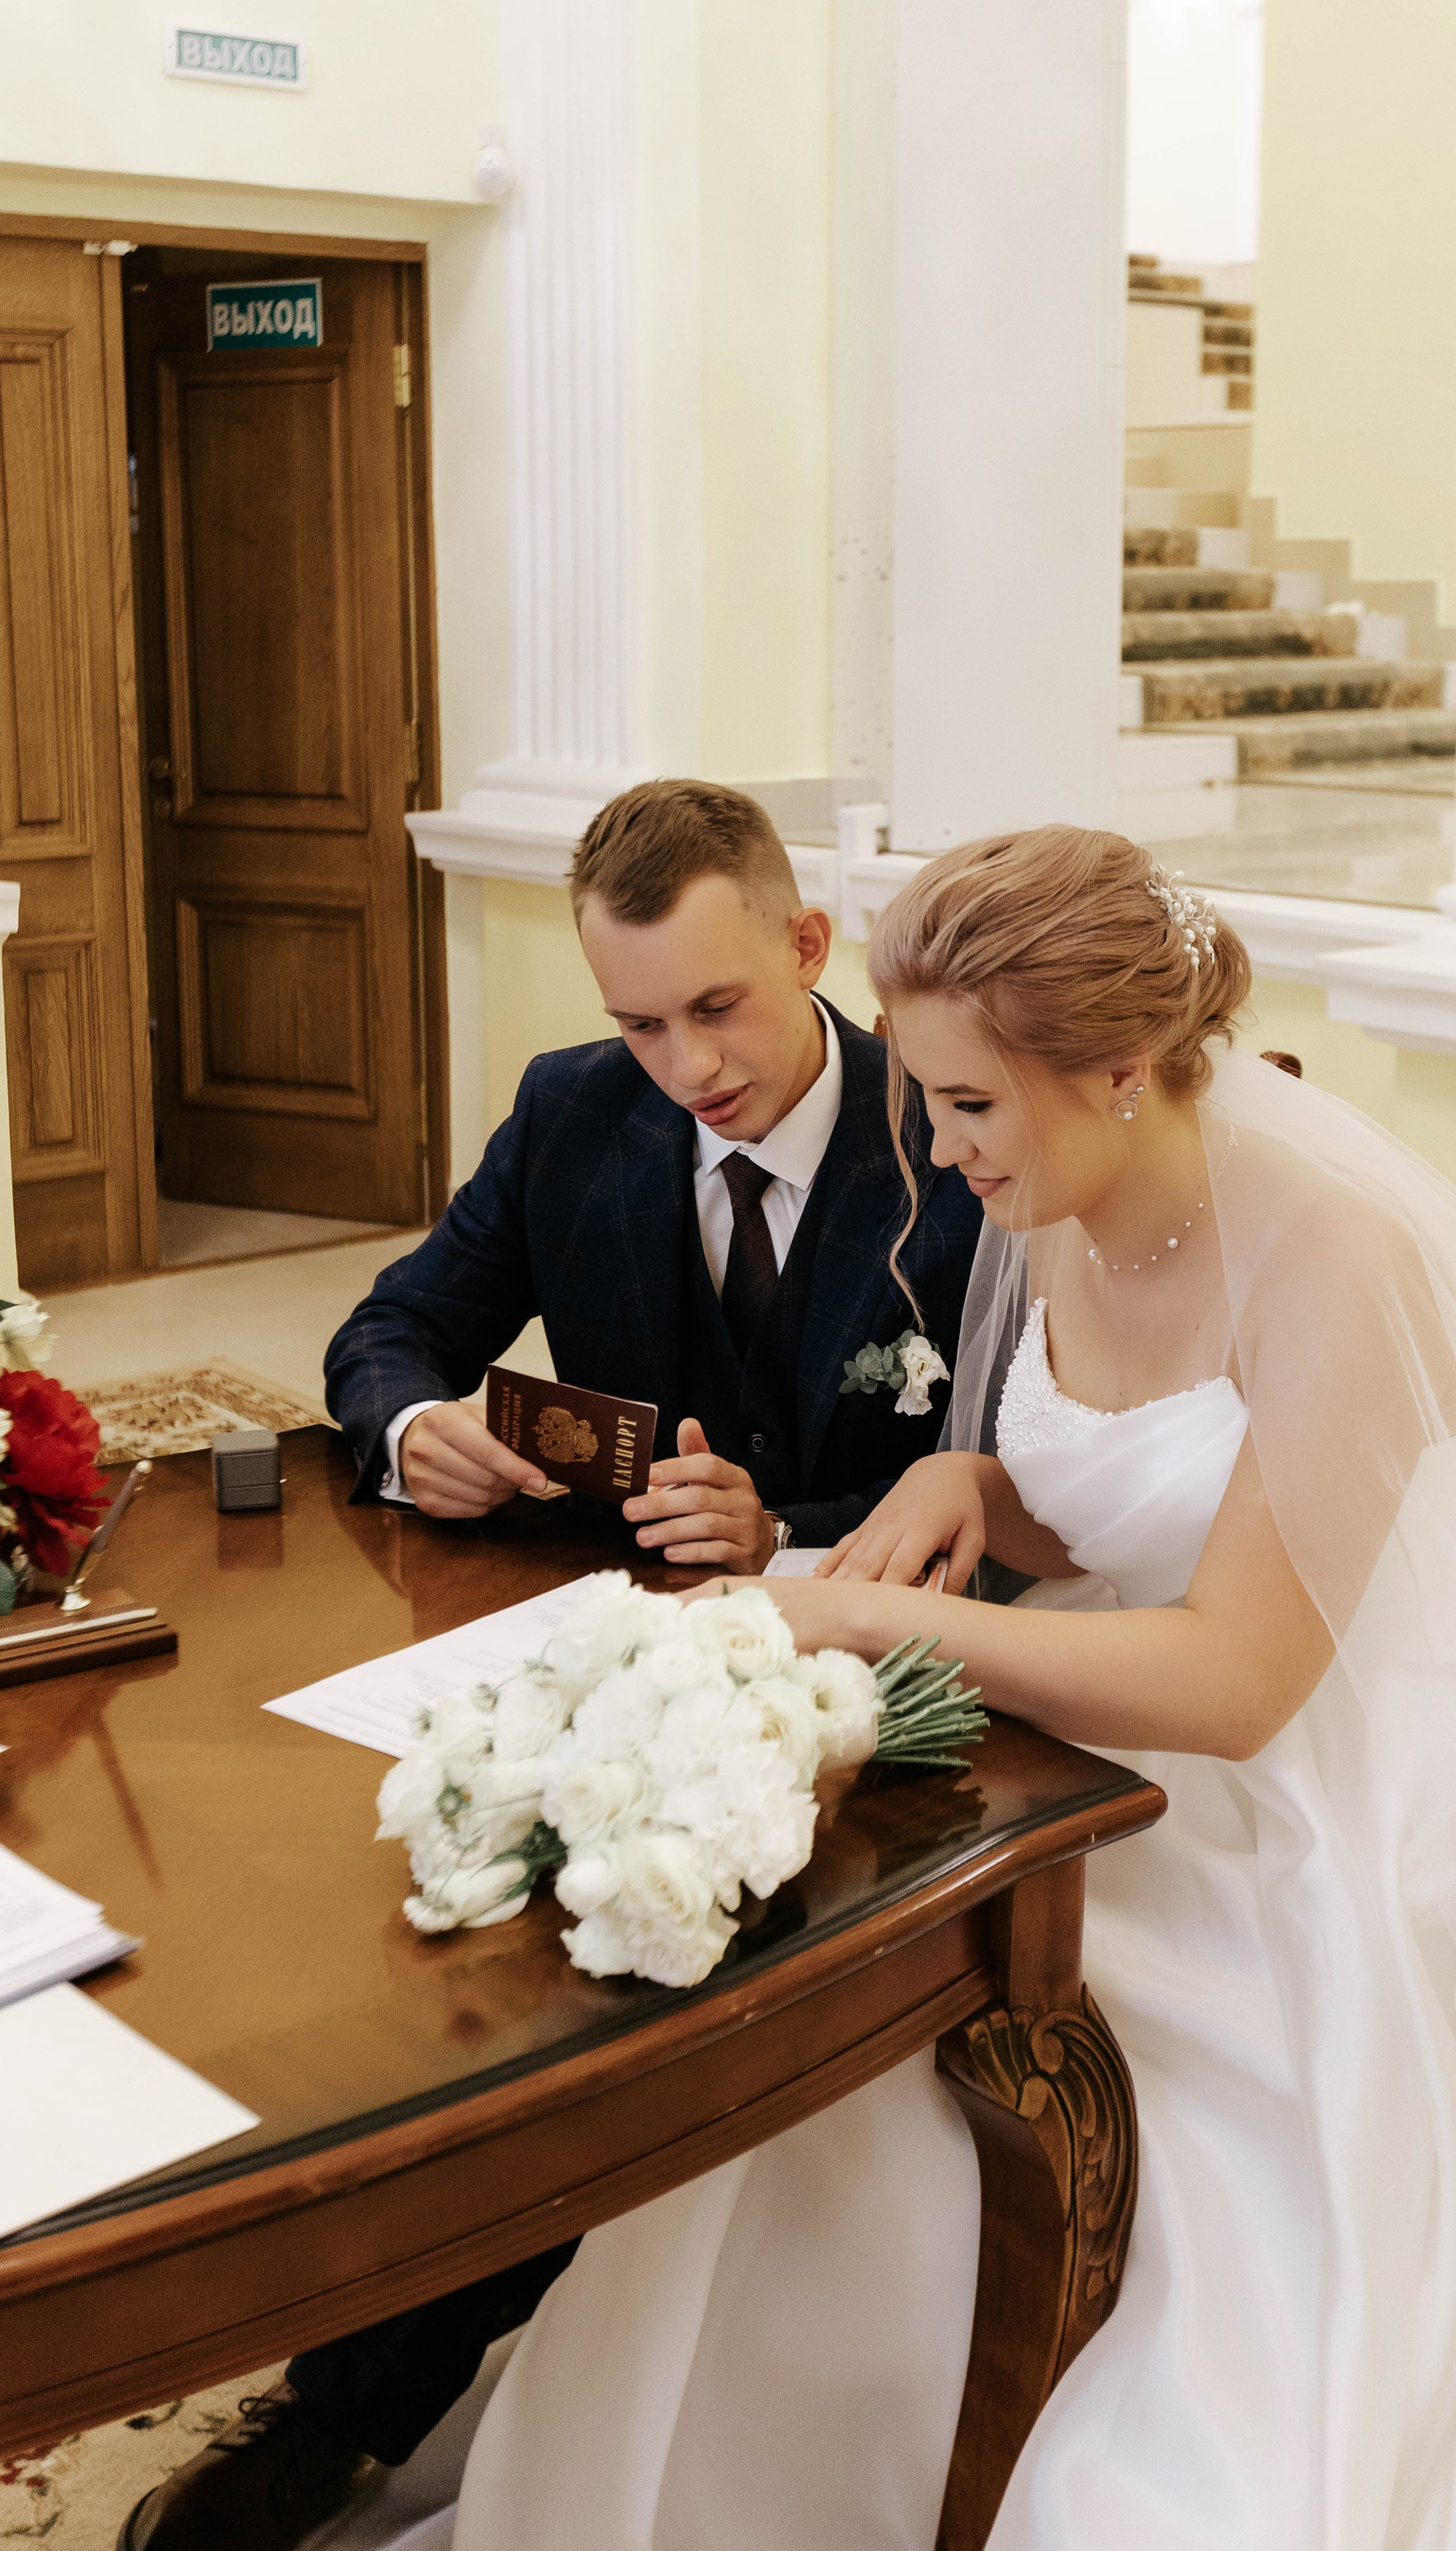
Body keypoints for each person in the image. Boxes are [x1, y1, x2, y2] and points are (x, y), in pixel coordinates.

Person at [414, 825, 1456, 2551]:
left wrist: (866, 1627)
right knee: (801, 2020)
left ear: (1123, 1071)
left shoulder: (1342, 1258)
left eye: (969, 1105)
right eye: (925, 1096)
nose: (933, 1145)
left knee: (898, 2066)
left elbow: (1233, 1676)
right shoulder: (1053, 1197)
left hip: (1289, 1827)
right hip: (1076, 1740)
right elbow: (1119, 1493)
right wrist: (976, 1492)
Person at [117, 779, 979, 2551]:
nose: (683, 1065)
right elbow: (394, 1326)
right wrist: (418, 1418)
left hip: (874, 1691)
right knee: (454, 1943)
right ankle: (349, 2384)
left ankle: (434, 2356)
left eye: (717, 1008)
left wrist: (794, 1530)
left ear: (808, 951)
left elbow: (1007, 1472)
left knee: (608, 2003)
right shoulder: (572, 1113)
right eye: (638, 1023)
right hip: (601, 1662)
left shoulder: (957, 1134)